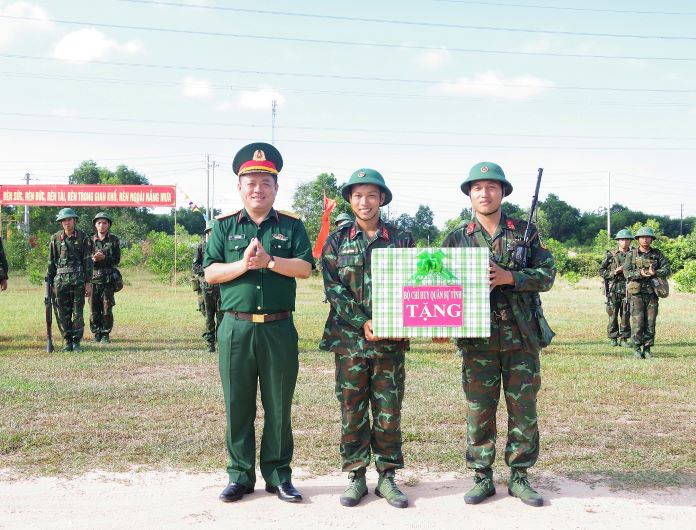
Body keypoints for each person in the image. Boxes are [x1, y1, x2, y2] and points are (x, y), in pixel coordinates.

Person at [204, 142, 314, 504]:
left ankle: (279, 475)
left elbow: (304, 269)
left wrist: (269, 261)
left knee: (279, 405)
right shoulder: (223, 227)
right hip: (235, 328)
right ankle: (239, 476)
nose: (258, 189)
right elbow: (210, 272)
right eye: (250, 182)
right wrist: (244, 266)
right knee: (238, 405)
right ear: (239, 187)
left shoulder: (292, 226)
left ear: (276, 188)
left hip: (278, 328)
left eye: (266, 182)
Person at [442, 162, 556, 507]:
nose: (484, 193)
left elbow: (548, 275)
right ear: (469, 194)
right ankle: (481, 476)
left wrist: (512, 277)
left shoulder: (525, 232)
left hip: (521, 335)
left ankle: (520, 476)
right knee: (479, 408)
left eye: (491, 187)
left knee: (523, 408)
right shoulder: (456, 237)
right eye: (477, 188)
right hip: (476, 338)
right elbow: (439, 285)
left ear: (503, 192)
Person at [321, 169, 414, 509]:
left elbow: (415, 287)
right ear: (350, 199)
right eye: (358, 195)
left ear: (382, 199)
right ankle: (356, 476)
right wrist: (362, 321)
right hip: (349, 343)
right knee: (352, 410)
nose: (364, 201)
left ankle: (388, 476)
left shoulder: (402, 239)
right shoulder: (337, 240)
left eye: (371, 195)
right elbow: (333, 289)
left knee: (389, 411)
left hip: (390, 342)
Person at [47, 208, 93, 352]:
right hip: (60, 282)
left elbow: (87, 262)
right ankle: (67, 341)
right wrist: (50, 283)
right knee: (63, 313)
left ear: (74, 220)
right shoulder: (55, 238)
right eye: (64, 220)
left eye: (70, 219)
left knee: (77, 312)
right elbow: (51, 262)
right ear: (61, 222)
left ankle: (76, 342)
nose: (67, 222)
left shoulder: (83, 237)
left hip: (78, 281)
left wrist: (88, 283)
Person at [623, 226, 670, 359]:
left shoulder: (657, 254)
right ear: (638, 239)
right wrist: (640, 273)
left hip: (653, 293)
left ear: (651, 239)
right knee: (638, 322)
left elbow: (667, 269)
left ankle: (647, 348)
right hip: (636, 294)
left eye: (648, 237)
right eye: (642, 237)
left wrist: (656, 272)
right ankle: (637, 348)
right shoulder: (631, 254)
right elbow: (627, 273)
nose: (645, 239)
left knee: (650, 322)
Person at [598, 229, 633, 348]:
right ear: (618, 241)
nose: (624, 242)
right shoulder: (611, 255)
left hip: (628, 289)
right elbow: (601, 271)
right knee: (612, 315)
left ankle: (624, 339)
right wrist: (614, 272)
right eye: (622, 240)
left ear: (630, 241)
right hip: (613, 289)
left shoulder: (634, 254)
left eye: (627, 239)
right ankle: (613, 337)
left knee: (626, 314)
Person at [89, 212, 121, 344]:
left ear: (108, 225)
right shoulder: (89, 240)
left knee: (107, 307)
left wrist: (105, 258)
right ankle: (96, 333)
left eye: (104, 223)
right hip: (93, 279)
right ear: (95, 225)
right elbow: (85, 260)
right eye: (99, 223)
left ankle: (105, 334)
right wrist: (93, 259)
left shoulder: (114, 240)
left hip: (108, 279)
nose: (101, 225)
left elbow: (117, 260)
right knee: (93, 308)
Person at [192, 220, 223, 352]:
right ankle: (210, 344)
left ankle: (222, 344)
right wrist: (208, 271)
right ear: (207, 233)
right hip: (207, 287)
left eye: (214, 232)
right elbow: (195, 266)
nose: (212, 234)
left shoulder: (224, 246)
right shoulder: (201, 247)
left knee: (223, 317)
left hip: (222, 287)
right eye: (210, 232)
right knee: (209, 316)